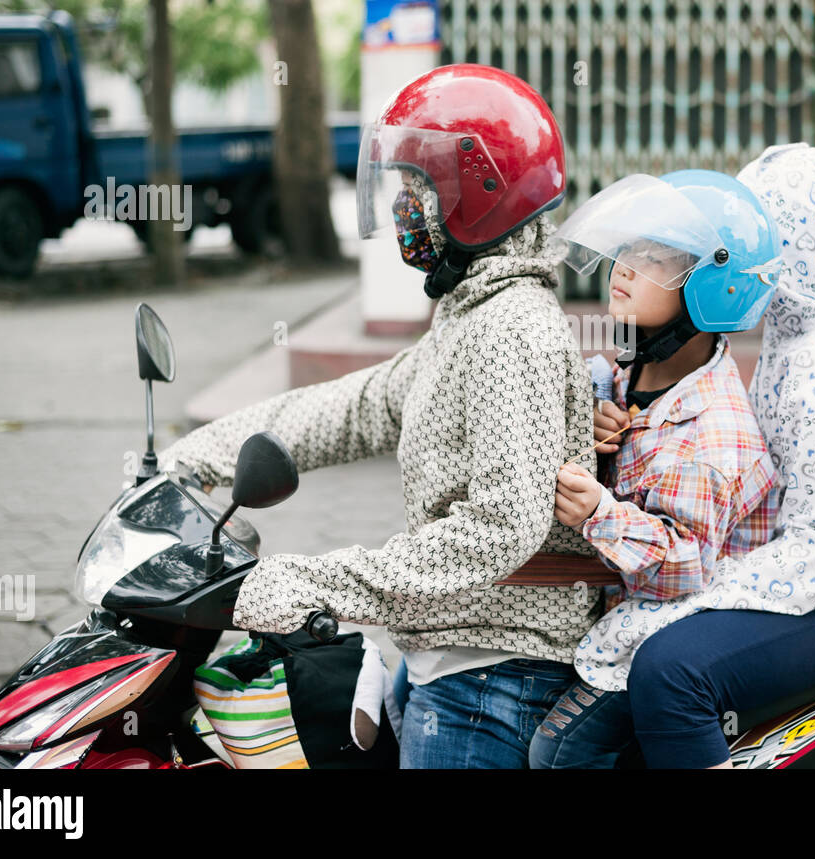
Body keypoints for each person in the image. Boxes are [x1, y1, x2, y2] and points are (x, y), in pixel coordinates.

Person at [158, 63, 618, 770]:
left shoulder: (512, 328)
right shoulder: (471, 315)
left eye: (417, 185)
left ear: (480, 191)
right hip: (456, 661)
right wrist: (197, 456)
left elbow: (501, 528)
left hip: (495, 680)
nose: (403, 202)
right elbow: (354, 408)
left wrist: (318, 583)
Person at [572, 143, 815, 769]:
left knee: (671, 672)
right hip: (813, 577)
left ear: (792, 249)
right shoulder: (795, 336)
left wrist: (692, 594)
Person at [525, 170, 781, 769]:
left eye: (657, 259)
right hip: (622, 610)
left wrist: (599, 514)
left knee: (557, 752)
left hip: (668, 625)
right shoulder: (638, 370)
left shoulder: (711, 435)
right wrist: (590, 408)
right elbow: (602, 378)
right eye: (629, 250)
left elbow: (686, 567)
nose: (625, 268)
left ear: (712, 289)